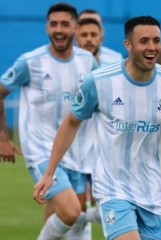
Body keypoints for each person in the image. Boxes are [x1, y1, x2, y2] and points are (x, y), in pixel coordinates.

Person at [34, 15, 161, 240]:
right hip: (112, 188)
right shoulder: (99, 81)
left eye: (156, 40)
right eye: (144, 41)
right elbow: (71, 122)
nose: (152, 47)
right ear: (128, 45)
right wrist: (49, 172)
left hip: (152, 192)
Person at [0, 2, 98, 239]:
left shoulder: (88, 62)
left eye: (65, 24)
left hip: (76, 153)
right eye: (53, 24)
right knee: (71, 211)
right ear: (46, 28)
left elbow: (98, 106)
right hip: (41, 151)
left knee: (65, 215)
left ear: (75, 28)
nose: (59, 29)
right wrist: (3, 137)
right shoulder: (30, 62)